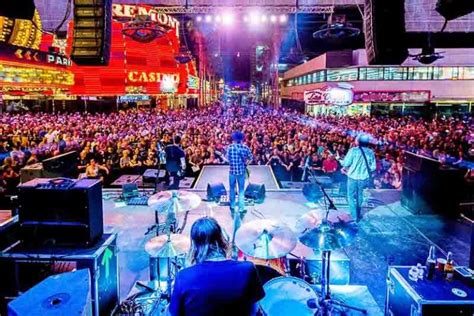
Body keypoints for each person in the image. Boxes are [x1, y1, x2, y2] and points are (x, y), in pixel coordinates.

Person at [168, 217, 265, 316]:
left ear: (195, 246)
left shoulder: (184, 277)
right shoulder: (247, 269)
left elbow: (173, 314)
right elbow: (254, 311)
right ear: (221, 239)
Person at [341, 134, 376, 222]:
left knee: (351, 197)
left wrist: (341, 161)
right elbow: (373, 167)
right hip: (364, 179)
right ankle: (358, 214)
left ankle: (354, 216)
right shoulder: (370, 152)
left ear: (359, 142)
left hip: (353, 177)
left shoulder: (353, 151)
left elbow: (346, 164)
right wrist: (365, 170)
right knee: (360, 196)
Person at [226, 131, 253, 216]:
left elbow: (228, 159)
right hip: (241, 172)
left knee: (232, 189)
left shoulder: (230, 148)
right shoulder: (245, 148)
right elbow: (251, 158)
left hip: (232, 172)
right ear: (242, 139)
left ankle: (232, 206)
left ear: (233, 139)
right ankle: (242, 208)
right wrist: (246, 164)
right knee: (241, 190)